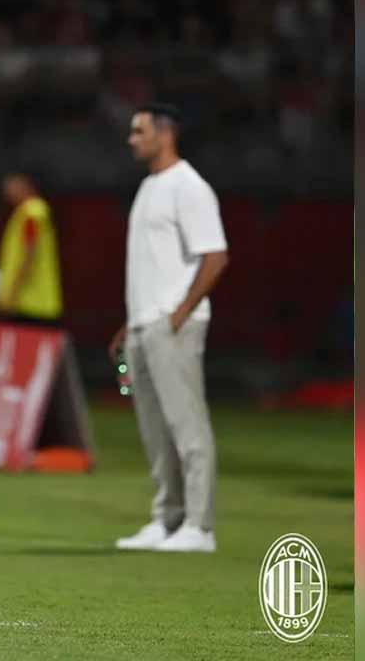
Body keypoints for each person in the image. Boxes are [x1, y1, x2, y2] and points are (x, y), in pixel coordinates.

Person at [109, 103, 229, 553]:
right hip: (143, 324)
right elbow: (151, 266)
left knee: (187, 425)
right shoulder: (148, 187)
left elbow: (215, 256)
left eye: (138, 131)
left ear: (165, 133)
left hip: (173, 325)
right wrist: (131, 322)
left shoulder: (189, 187)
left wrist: (178, 314)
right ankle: (167, 517)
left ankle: (200, 525)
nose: (131, 139)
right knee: (154, 428)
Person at [0, 173, 63, 325]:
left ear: (24, 185)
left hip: (31, 302)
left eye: (9, 187)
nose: (6, 193)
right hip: (28, 301)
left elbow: (29, 253)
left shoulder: (32, 213)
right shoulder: (27, 212)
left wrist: (11, 294)